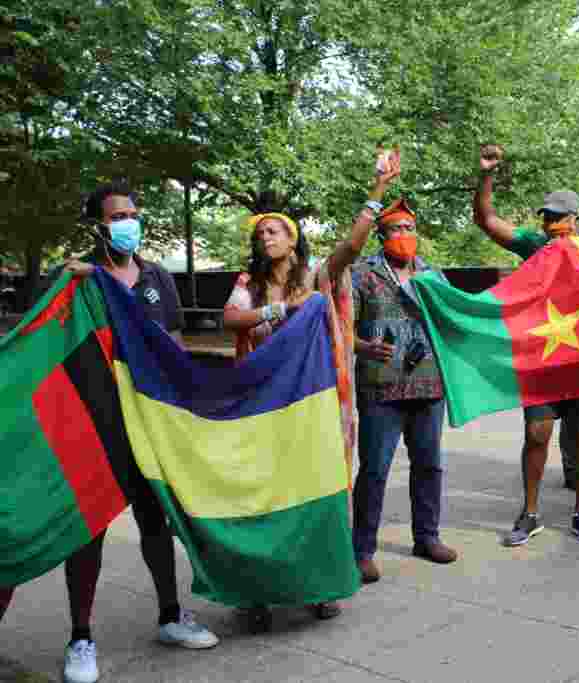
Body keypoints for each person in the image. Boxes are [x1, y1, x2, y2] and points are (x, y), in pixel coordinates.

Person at [0, 184, 218, 683]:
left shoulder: (158, 275)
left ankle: (170, 615)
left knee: (157, 521)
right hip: (94, 426)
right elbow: (46, 349)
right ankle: (80, 637)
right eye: (118, 215)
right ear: (97, 224)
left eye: (134, 213)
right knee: (87, 529)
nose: (129, 222)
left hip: (150, 422)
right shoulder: (73, 279)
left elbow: (175, 348)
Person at [222, 158, 388, 626]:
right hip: (265, 401)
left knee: (319, 488)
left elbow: (352, 246)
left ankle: (320, 585)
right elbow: (230, 320)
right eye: (261, 234)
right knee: (266, 493)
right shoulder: (248, 284)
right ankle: (257, 592)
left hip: (316, 399)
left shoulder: (317, 274)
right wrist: (275, 313)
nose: (266, 238)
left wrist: (376, 189)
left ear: (292, 237)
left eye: (274, 231)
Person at [473, 144, 579, 545]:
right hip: (541, 357)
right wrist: (487, 175)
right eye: (546, 218)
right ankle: (530, 513)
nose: (550, 225)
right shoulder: (533, 245)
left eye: (558, 218)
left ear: (575, 220)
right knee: (536, 435)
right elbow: (487, 219)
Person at [350, 196, 458, 585]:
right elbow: (341, 328)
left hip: (429, 385)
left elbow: (452, 318)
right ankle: (361, 550)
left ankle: (427, 537)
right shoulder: (362, 275)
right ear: (381, 235)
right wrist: (364, 346)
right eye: (395, 229)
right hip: (381, 387)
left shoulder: (432, 274)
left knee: (429, 465)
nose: (403, 235)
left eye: (409, 228)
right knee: (375, 470)